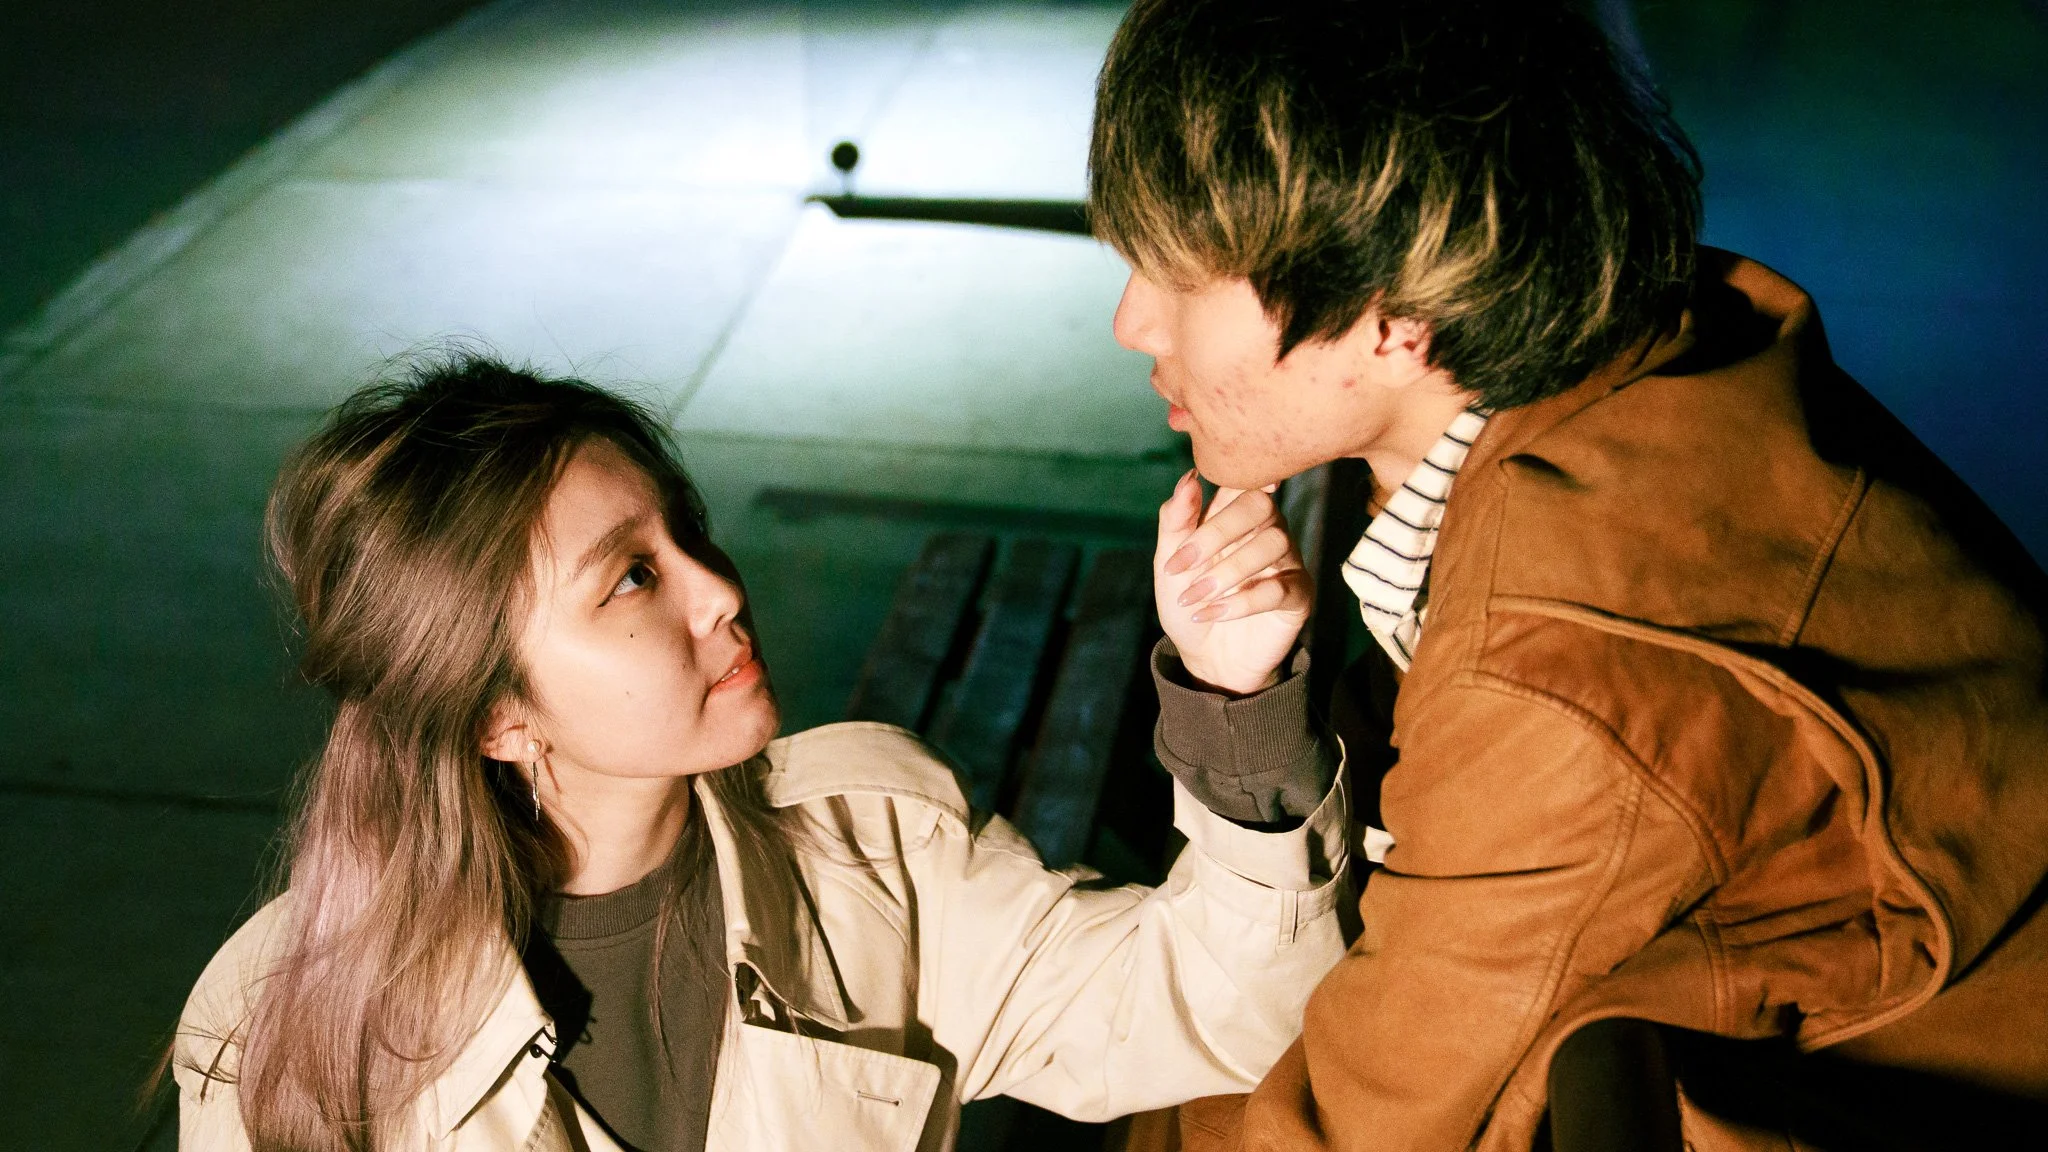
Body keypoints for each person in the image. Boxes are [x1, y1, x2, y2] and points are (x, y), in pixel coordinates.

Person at [1088, 0, 2048, 1149]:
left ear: (1394, 314)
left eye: (1177, 275)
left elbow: (1358, 1128)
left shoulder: (1558, 661)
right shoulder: (1629, 355)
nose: (1129, 322)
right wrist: (1247, 711)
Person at [171, 354, 1349, 1151]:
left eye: (686, 534)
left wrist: (1234, 699)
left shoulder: (878, 863)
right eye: (632, 576)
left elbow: (1224, 1009)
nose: (720, 589)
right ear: (493, 715)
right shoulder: (282, 1033)